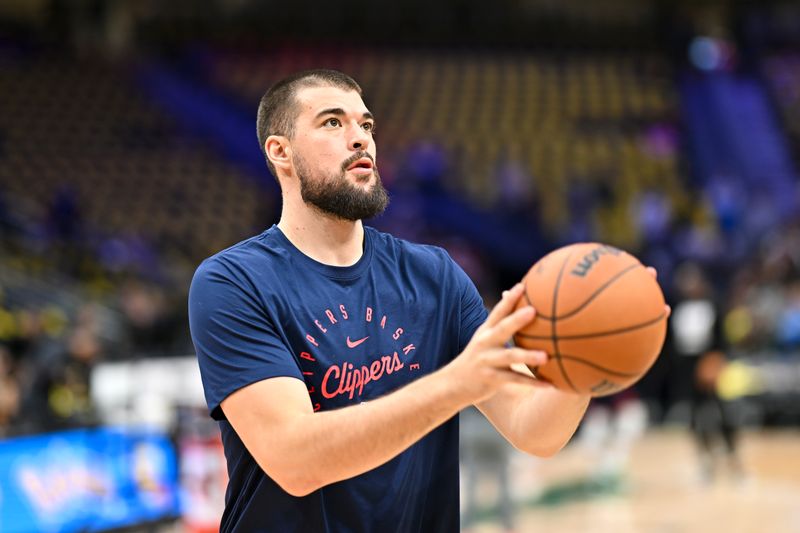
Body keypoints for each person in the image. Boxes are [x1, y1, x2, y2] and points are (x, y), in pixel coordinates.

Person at [188, 69, 591, 532]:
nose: (360, 139)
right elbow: (294, 458)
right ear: (281, 152)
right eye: (333, 123)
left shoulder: (435, 275)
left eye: (366, 125)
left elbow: (533, 429)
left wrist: (584, 366)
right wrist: (455, 384)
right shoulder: (232, 281)